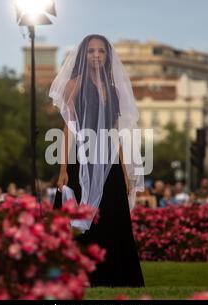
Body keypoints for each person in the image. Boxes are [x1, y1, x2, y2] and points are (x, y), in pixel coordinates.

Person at [50, 34, 145, 287]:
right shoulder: (75, 85)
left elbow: (115, 132)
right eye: (91, 51)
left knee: (112, 218)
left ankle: (112, 276)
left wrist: (124, 170)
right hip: (81, 159)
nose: (96, 55)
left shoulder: (112, 89)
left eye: (101, 51)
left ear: (107, 56)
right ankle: (77, 276)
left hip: (109, 162)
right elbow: (67, 127)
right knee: (80, 218)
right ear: (84, 55)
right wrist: (63, 168)